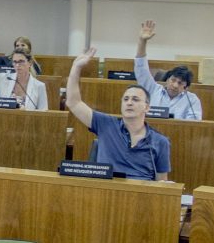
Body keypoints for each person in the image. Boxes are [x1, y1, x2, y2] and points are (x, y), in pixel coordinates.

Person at [66, 47, 171, 181]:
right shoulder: (105, 124)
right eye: (126, 99)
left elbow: (162, 183)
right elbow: (73, 102)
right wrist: (76, 67)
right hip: (107, 193)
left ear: (147, 107)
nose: (129, 103)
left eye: (135, 99)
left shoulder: (160, 141)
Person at [135, 20, 202, 120]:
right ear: (167, 79)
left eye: (180, 83)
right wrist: (142, 41)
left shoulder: (192, 100)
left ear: (186, 87)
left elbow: (193, 125)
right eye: (173, 80)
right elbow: (141, 68)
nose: (175, 85)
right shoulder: (153, 89)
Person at [0, 28, 48, 110]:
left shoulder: (39, 86)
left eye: (21, 61)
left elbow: (43, 112)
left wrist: (26, 111)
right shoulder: (4, 78)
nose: (17, 65)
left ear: (30, 63)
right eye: (15, 62)